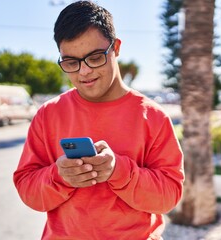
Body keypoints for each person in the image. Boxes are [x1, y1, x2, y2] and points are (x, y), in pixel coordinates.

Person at [13, 1, 184, 239]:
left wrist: (119, 170)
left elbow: (169, 197)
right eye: (71, 62)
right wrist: (59, 177)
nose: (84, 72)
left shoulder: (153, 117)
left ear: (116, 48)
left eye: (94, 57)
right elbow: (27, 189)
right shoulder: (48, 114)